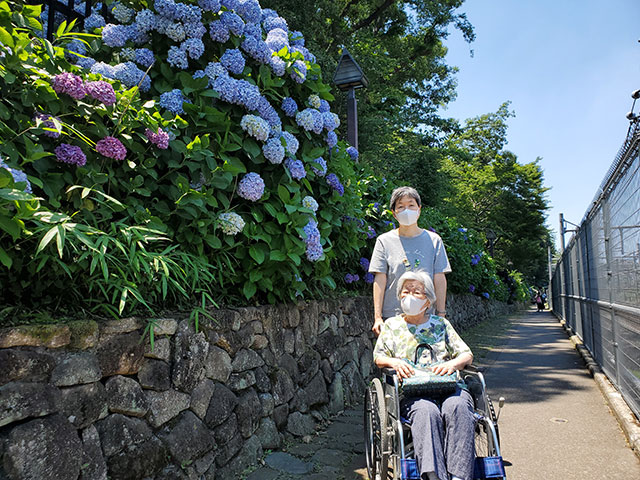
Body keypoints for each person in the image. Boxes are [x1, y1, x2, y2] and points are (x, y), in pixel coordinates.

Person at [373, 271, 475, 480]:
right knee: (426, 412)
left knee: (458, 406)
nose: (409, 295)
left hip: (447, 385)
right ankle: (434, 475)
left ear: (428, 300)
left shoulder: (441, 324)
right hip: (413, 391)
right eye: (405, 291)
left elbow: (466, 354)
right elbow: (378, 357)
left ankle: (459, 476)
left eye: (416, 292)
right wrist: (395, 362)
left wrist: (453, 364)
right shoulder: (392, 325)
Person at [369, 186, 451, 335]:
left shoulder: (434, 240)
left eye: (411, 205)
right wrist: (378, 317)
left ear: (419, 209)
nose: (406, 210)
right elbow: (380, 278)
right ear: (394, 213)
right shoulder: (384, 241)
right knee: (391, 358)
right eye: (400, 206)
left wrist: (441, 314)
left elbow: (439, 277)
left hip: (426, 315)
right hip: (393, 316)